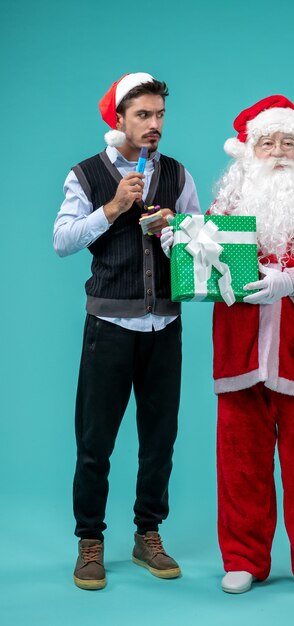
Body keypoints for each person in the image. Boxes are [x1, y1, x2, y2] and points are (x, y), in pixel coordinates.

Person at [163, 95, 294, 596]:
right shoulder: (226, 208)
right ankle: (245, 559)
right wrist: (183, 244)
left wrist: (293, 279)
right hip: (241, 352)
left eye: (288, 142)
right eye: (267, 142)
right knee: (240, 465)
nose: (277, 151)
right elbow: (203, 266)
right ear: (249, 151)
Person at [53, 72, 200, 590]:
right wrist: (113, 207)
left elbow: (200, 248)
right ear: (119, 120)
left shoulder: (178, 175)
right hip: (109, 325)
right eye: (143, 115)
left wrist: (174, 234)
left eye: (160, 115)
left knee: (160, 440)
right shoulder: (87, 175)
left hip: (166, 326)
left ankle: (147, 534)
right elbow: (62, 241)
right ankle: (89, 541)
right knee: (95, 441)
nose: (154, 124)